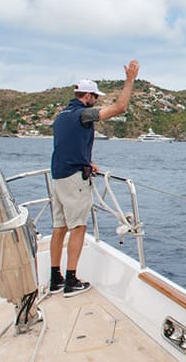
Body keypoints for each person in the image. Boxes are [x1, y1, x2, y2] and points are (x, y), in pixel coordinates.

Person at [50, 60, 140, 297]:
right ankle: (71, 280)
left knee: (59, 227)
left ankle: (55, 278)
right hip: (73, 180)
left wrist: (85, 161)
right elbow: (120, 107)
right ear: (87, 96)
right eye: (95, 97)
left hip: (58, 176)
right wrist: (130, 79)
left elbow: (66, 144)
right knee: (78, 227)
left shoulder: (61, 116)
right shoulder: (83, 114)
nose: (97, 101)